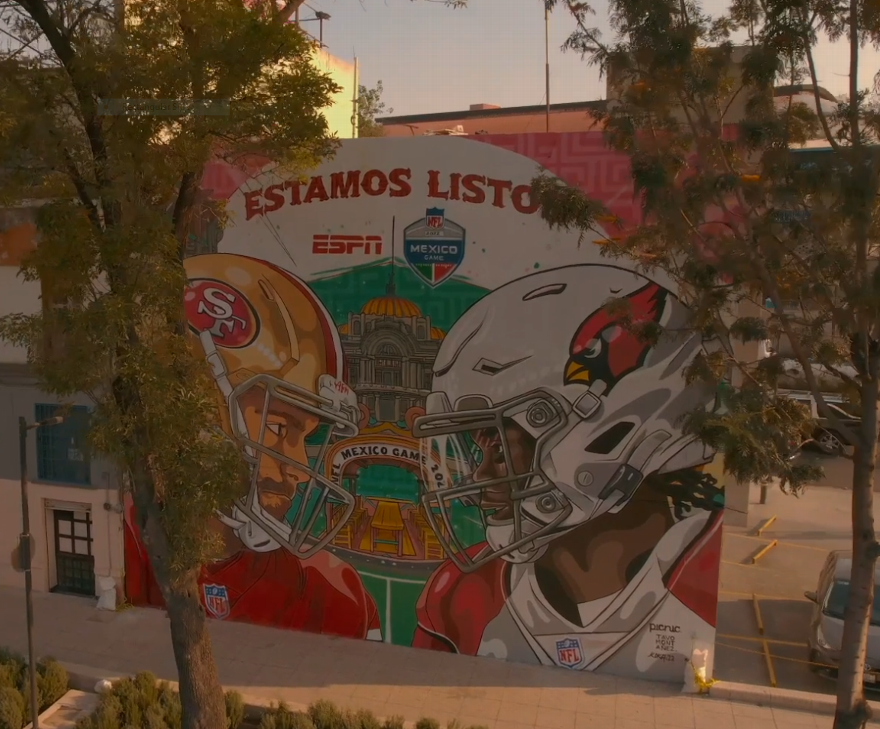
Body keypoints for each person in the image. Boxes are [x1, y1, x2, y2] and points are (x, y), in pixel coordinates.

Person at [410, 264, 727, 678]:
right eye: (478, 449)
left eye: (503, 451)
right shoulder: (459, 593)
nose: (478, 480)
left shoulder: (697, 587)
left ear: (612, 431)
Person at [125, 253, 383, 641]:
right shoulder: (126, 548)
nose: (297, 467)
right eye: (279, 426)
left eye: (306, 436)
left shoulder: (332, 593)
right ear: (199, 418)